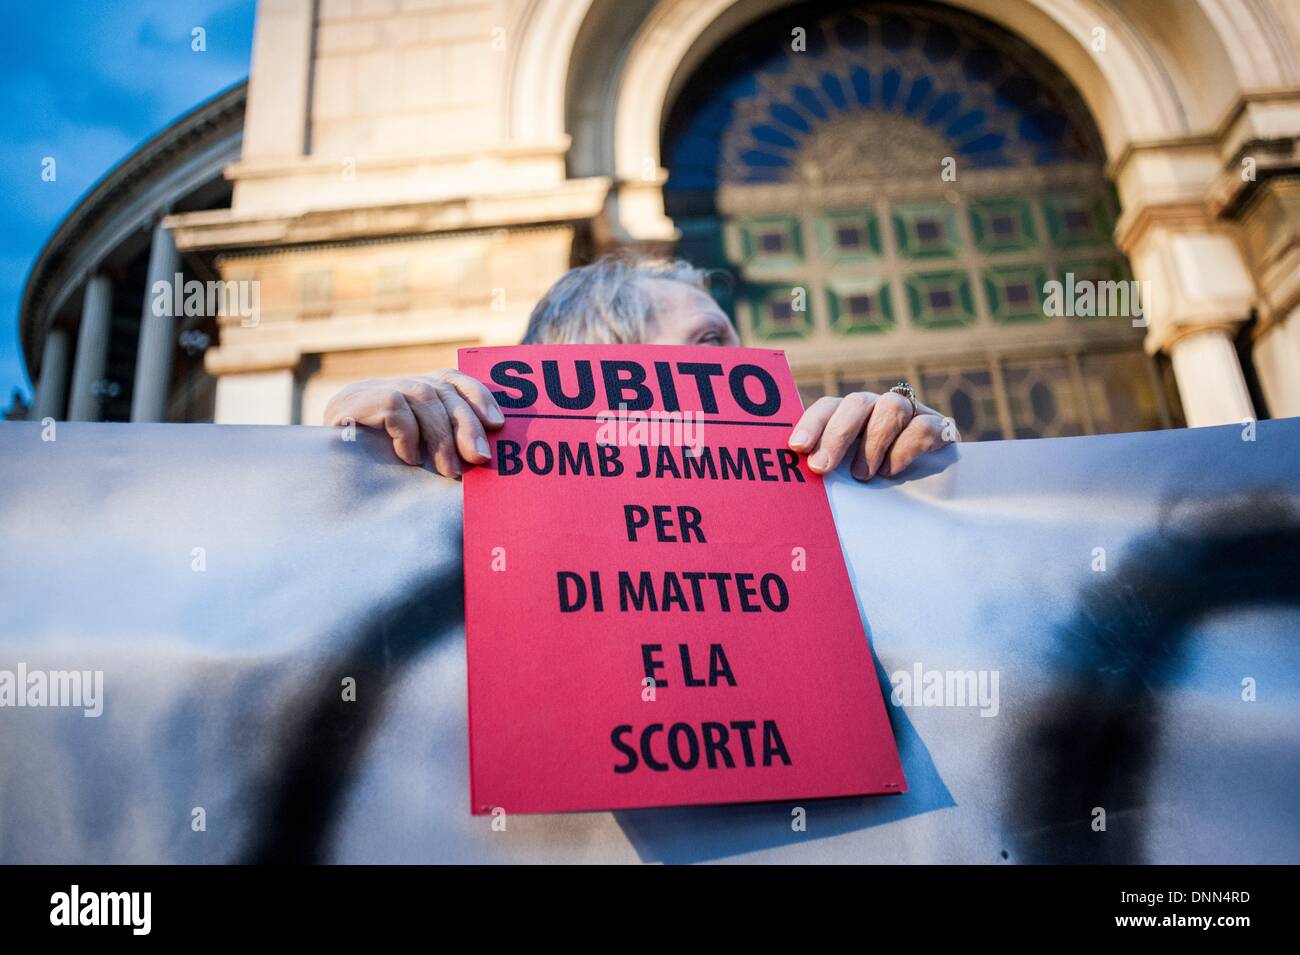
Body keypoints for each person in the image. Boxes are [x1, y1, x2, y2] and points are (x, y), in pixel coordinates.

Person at [324, 255, 955, 479]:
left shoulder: (818, 464)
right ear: (599, 365)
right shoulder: (470, 469)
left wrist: (914, 450)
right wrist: (358, 447)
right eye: (712, 345)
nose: (748, 372)